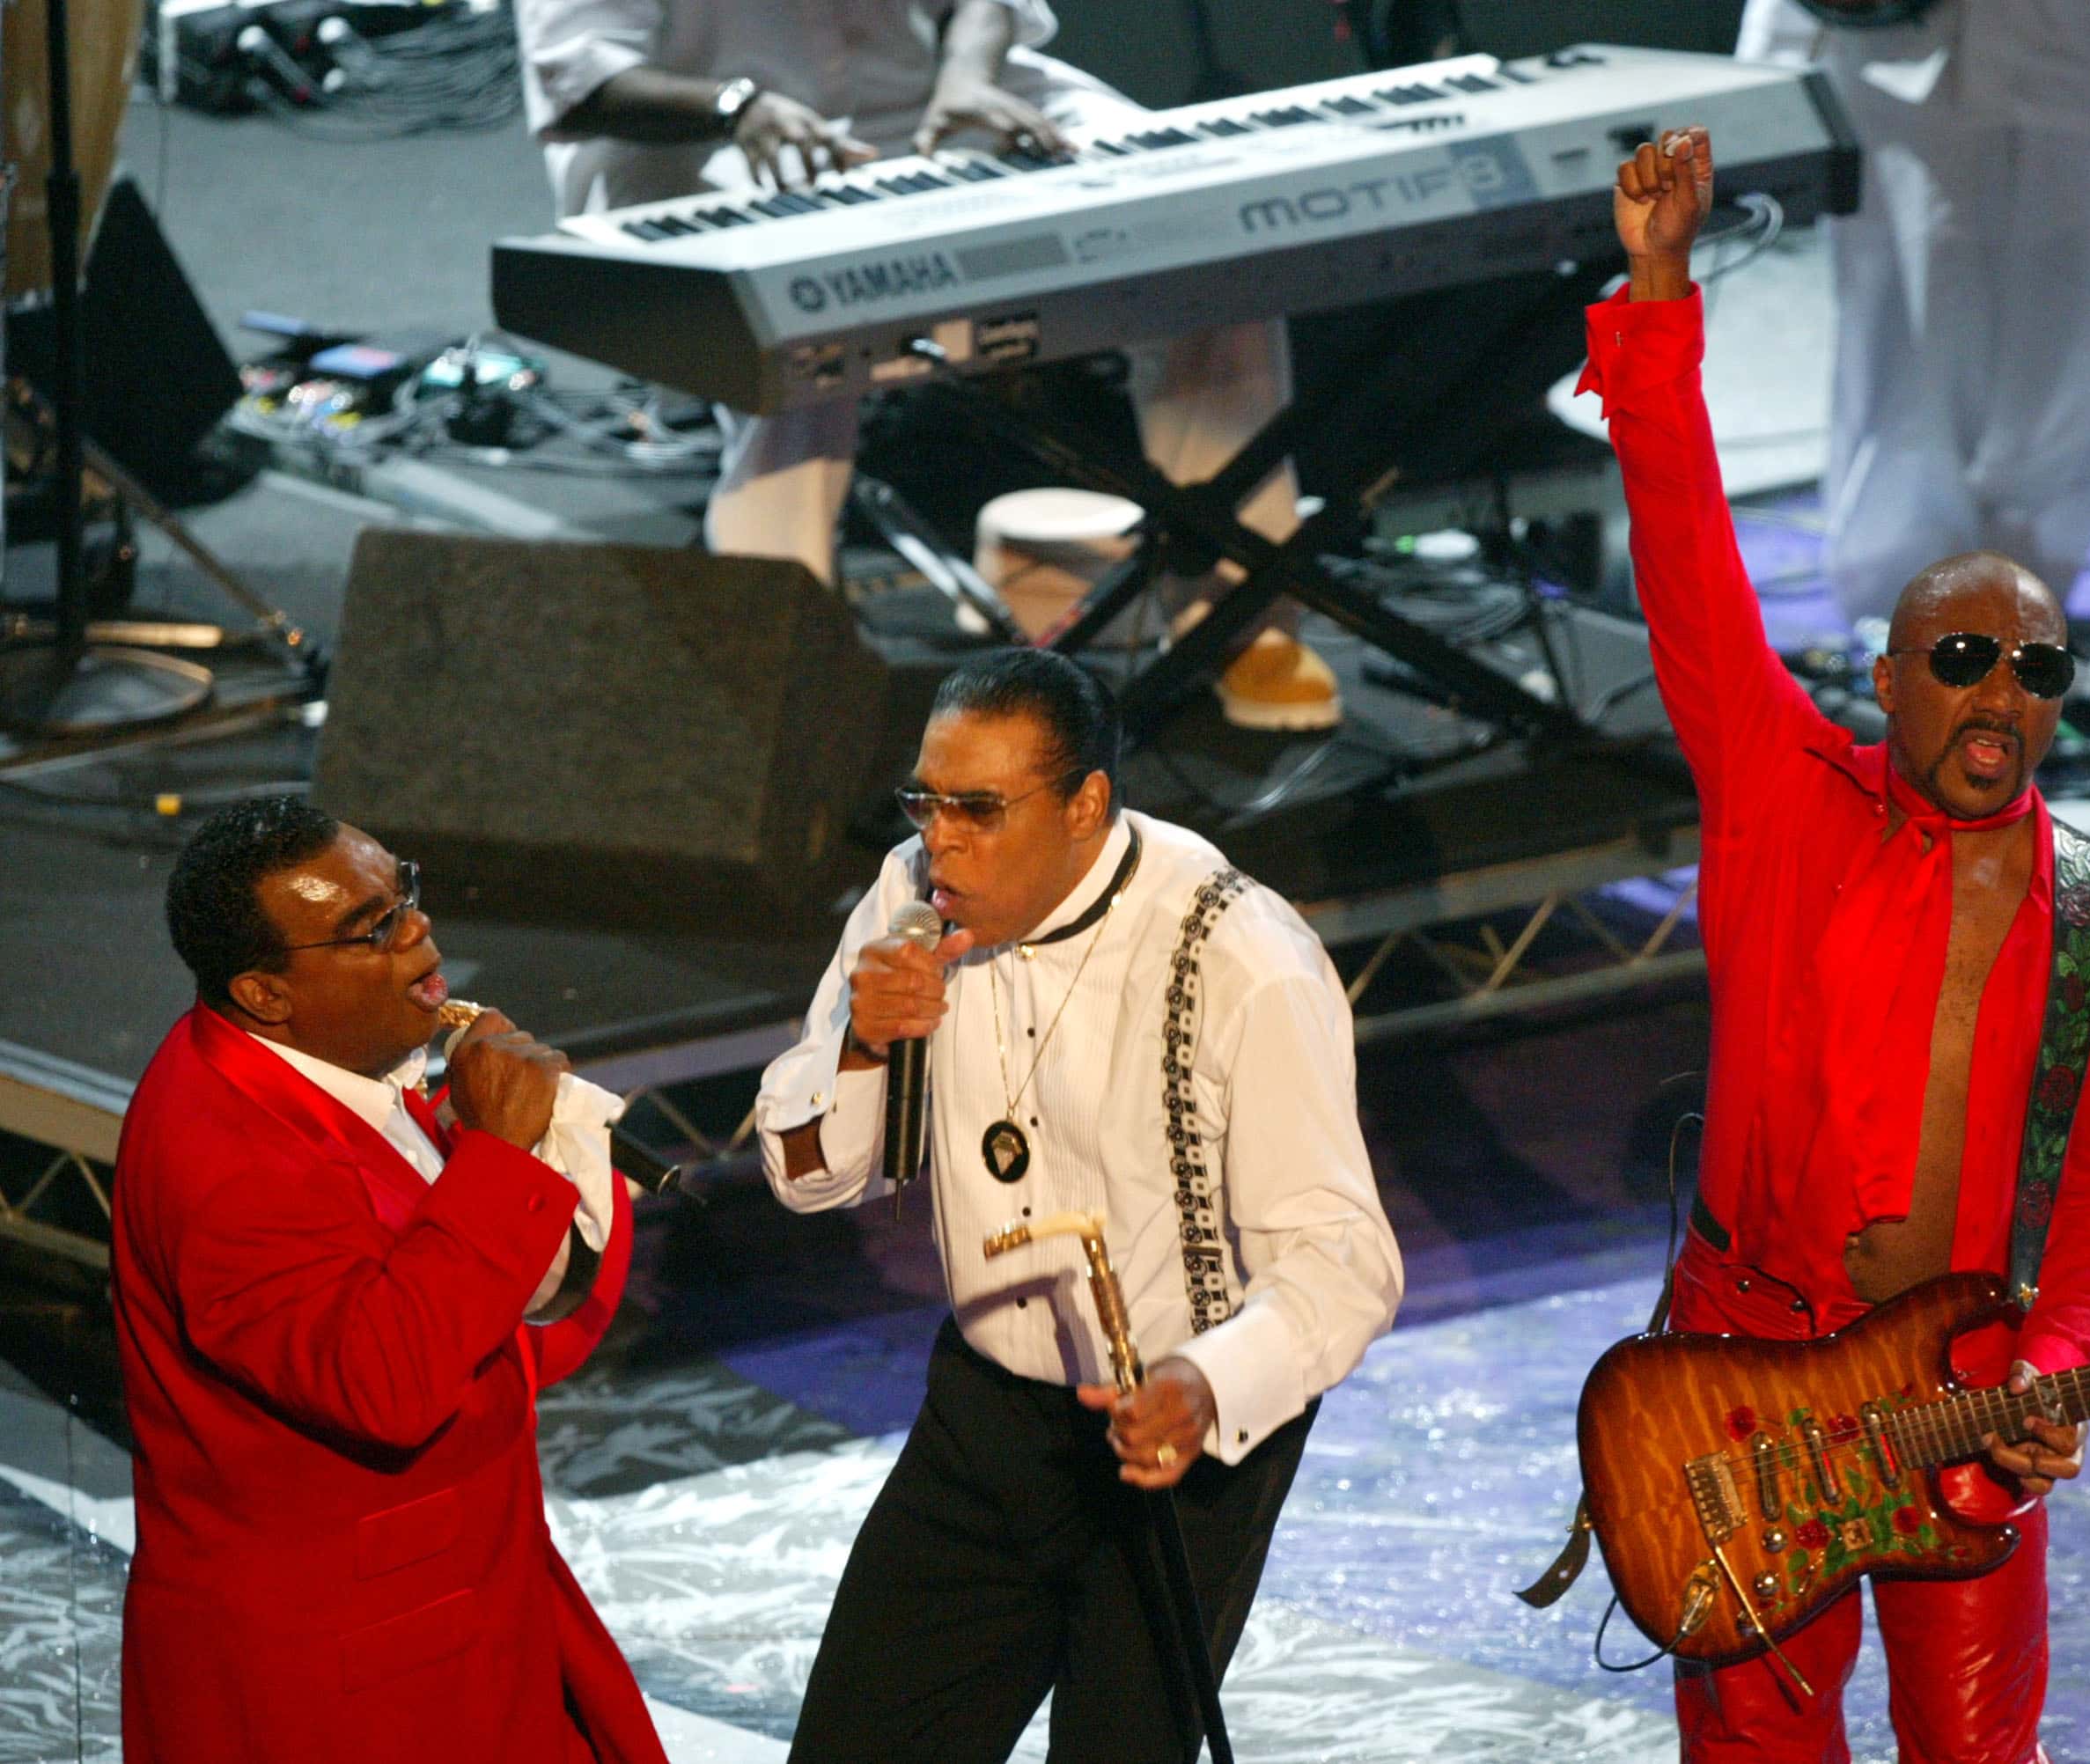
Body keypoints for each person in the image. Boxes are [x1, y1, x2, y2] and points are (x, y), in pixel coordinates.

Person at [1589, 131, 2090, 1761]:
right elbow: (1686, 550)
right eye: (1968, 655)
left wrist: (2055, 1367)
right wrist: (1658, 294)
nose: (2002, 692)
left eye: (2036, 668)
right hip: (1740, 1373)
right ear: (1892, 673)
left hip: (1962, 1409)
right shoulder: (1781, 798)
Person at [755, 648, 1401, 1760]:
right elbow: (805, 1175)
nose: (939, 837)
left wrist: (1206, 1385)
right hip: (987, 1418)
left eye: (978, 809)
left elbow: (1344, 1262)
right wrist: (863, 1045)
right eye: (925, 800)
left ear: (1086, 803)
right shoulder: (912, 895)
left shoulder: (1242, 957)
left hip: (1179, 1439)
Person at [511, 0, 1342, 729]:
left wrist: (969, 77)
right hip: (704, 129)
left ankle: (1239, 615)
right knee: (799, 300)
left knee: (1210, 249)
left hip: (935, 96)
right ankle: (784, 646)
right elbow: (581, 78)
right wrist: (742, 106)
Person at [109, 798, 662, 1762]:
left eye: (402, 889)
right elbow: (383, 1384)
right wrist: (495, 1154)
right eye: (374, 929)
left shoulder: (326, 1066)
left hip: (464, 1605)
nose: (418, 930)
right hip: (346, 1680)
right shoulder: (226, 1161)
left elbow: (467, 1316)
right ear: (265, 992)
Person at [1738, 0, 2090, 626]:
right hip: (1895, 46)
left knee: (2084, 335)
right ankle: (1896, 620)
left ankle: (2025, 614)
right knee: (1902, 337)